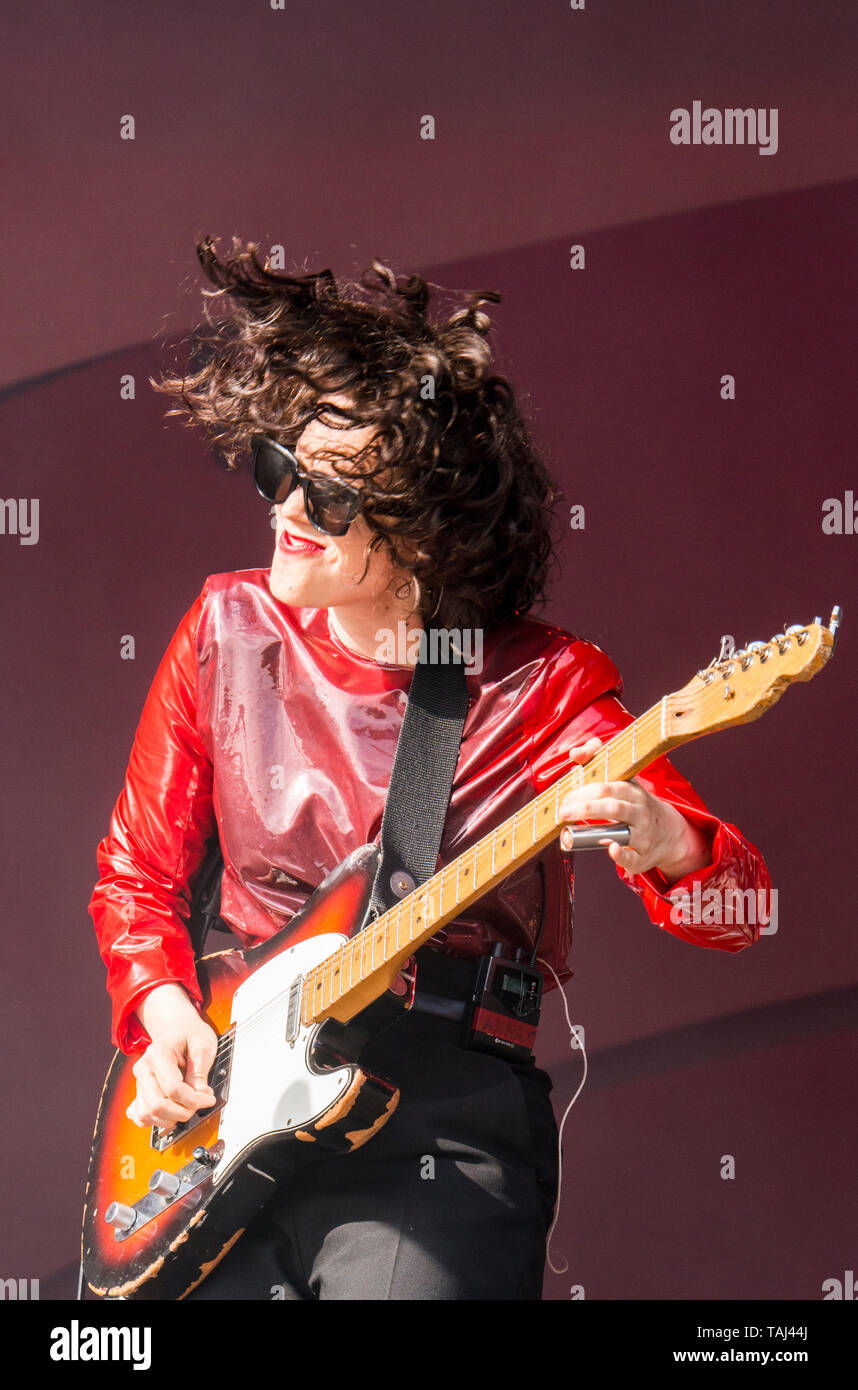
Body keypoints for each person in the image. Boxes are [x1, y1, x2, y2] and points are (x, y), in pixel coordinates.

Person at [88, 238, 770, 1300]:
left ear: (427, 526)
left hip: (439, 1123)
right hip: (229, 1113)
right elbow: (138, 876)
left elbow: (746, 911)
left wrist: (666, 837)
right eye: (280, 469)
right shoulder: (226, 629)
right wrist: (166, 1011)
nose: (285, 508)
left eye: (328, 496)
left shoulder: (544, 684)